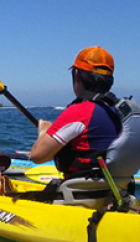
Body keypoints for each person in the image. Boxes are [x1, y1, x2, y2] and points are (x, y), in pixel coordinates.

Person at [30, 46, 123, 179]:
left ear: (77, 75)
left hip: (80, 192)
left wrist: (43, 132)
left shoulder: (79, 112)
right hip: (116, 190)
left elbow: (37, 156)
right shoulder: (121, 110)